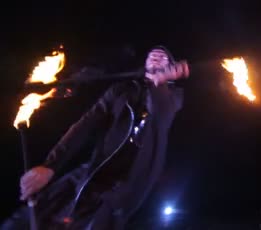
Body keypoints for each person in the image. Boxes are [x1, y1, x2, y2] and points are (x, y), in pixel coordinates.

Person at [1, 45, 189, 229]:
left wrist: (160, 85)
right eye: (152, 54)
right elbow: (84, 125)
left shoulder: (172, 97)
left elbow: (160, 116)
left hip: (122, 189)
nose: (156, 54)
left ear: (172, 68)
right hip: (92, 171)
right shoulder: (122, 90)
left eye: (164, 56)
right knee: (35, 214)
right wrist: (50, 166)